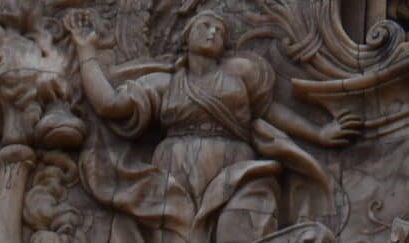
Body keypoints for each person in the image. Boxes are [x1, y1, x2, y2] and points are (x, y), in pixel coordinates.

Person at [71, 12, 349, 242]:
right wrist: (86, 52)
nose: (213, 32)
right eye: (206, 26)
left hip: (237, 170)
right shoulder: (165, 83)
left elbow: (268, 112)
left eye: (220, 30)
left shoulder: (241, 75)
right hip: (174, 175)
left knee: (240, 228)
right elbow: (110, 105)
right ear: (187, 36)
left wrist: (318, 133)